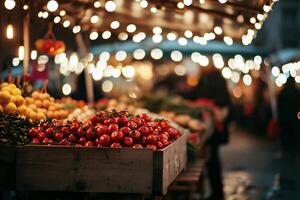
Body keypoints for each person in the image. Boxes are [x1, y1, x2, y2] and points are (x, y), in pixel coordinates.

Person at [190, 65, 232, 200]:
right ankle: (215, 192)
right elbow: (194, 94)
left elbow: (225, 100)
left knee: (213, 159)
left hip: (213, 127)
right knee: (211, 160)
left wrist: (207, 103)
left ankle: (217, 193)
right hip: (208, 126)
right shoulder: (204, 79)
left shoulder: (217, 79)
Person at [277, 77, 300, 155]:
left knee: (285, 132)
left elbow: (279, 105)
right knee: (293, 132)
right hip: (293, 117)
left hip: (284, 117)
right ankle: (292, 148)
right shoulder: (296, 92)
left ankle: (286, 148)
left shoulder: (283, 92)